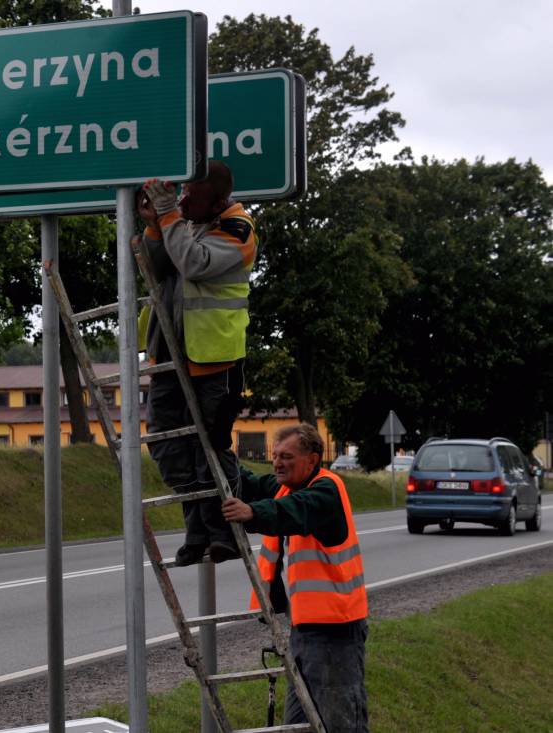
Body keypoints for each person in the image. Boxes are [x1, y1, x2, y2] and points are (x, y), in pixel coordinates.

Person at [137, 160, 257, 566]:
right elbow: (154, 268)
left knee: (211, 446)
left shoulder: (238, 228)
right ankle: (196, 528)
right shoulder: (184, 220)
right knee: (167, 443)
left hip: (214, 359)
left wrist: (169, 216)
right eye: (182, 193)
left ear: (219, 199)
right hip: (168, 352)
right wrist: (156, 225)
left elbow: (194, 264)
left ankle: (222, 532)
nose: (184, 199)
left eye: (192, 194)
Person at [221, 423, 369, 733]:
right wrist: (219, 452)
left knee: (339, 724)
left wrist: (252, 513)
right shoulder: (288, 487)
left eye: (286, 456)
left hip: (336, 632)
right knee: (299, 725)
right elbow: (252, 483)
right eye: (274, 456)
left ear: (313, 459)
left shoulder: (326, 490)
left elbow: (294, 511)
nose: (277, 463)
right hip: (304, 631)